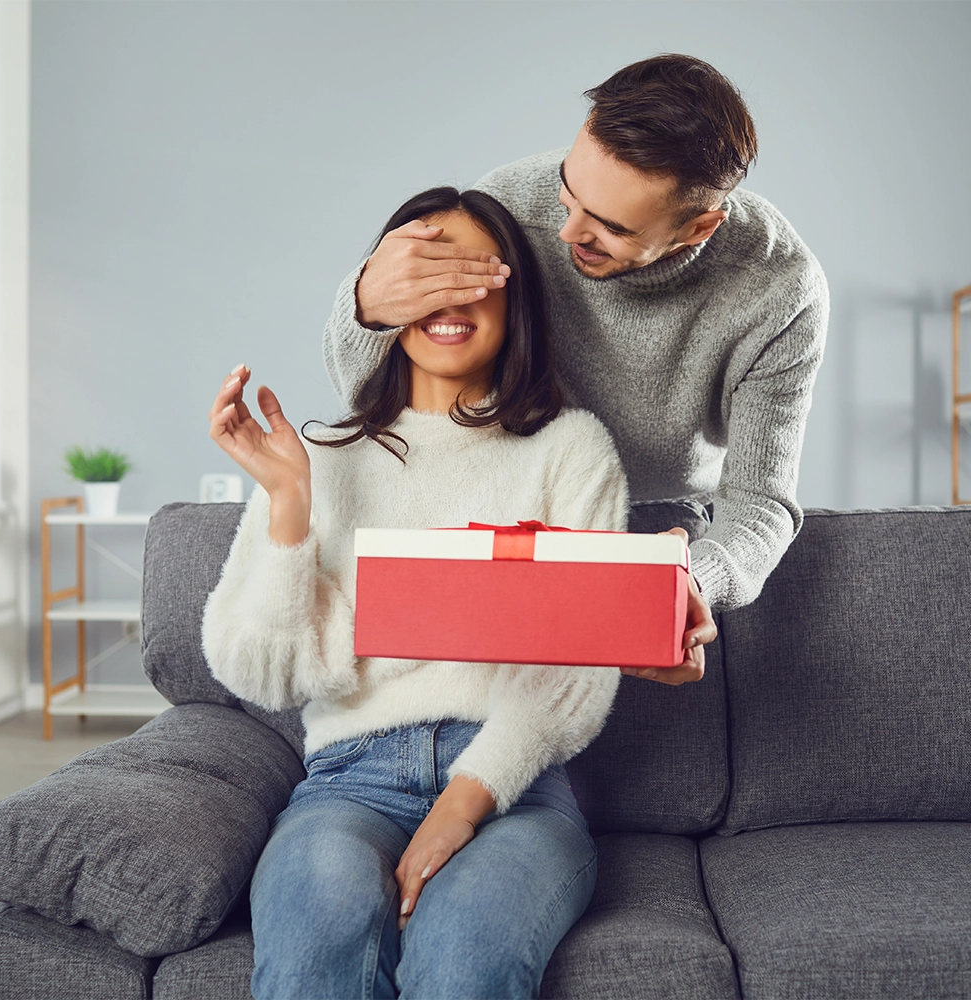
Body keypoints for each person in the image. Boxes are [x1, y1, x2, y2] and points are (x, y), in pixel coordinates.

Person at [201, 187, 645, 999]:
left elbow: (576, 671)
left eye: (474, 274)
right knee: (312, 950)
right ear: (384, 297)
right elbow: (264, 673)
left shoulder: (569, 451)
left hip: (516, 790)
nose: (449, 297)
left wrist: (463, 804)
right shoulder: (319, 456)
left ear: (517, 298)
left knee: (463, 953)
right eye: (426, 273)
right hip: (346, 780)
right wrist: (290, 513)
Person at [322, 54, 829, 686]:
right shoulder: (508, 205)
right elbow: (371, 390)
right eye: (569, 190)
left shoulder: (780, 290)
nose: (566, 231)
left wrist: (693, 580)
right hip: (511, 502)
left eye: (610, 228)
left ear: (699, 227)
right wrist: (366, 304)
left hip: (656, 525)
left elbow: (761, 501)